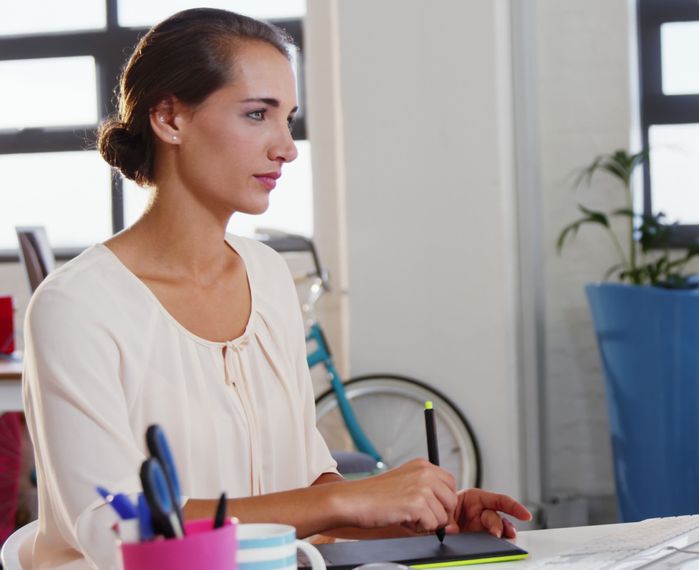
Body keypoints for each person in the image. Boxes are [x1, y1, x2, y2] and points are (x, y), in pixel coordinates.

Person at [20, 8, 530, 568]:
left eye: (288, 118)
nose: (286, 146)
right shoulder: (76, 307)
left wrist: (407, 515)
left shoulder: (267, 276)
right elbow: (116, 529)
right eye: (257, 114)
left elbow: (305, 485)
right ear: (169, 118)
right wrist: (350, 497)